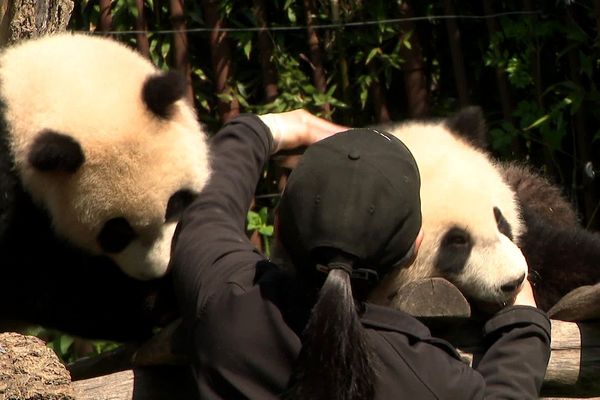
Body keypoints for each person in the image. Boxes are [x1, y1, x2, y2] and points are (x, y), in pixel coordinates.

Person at [170, 109, 551, 399]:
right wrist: (524, 322)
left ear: (280, 228)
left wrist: (270, 128)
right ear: (412, 248)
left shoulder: (225, 305)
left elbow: (209, 205)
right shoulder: (423, 375)